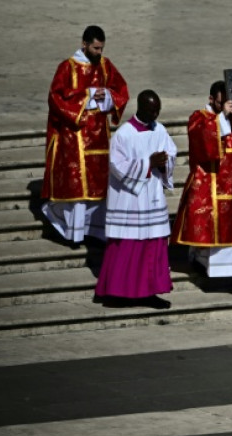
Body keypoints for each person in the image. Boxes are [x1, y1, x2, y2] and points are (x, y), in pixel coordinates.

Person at [172, 81, 232, 299]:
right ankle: (204, 268)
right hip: (211, 186)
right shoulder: (199, 117)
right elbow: (202, 144)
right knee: (209, 237)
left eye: (229, 103)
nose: (227, 107)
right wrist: (221, 118)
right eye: (222, 103)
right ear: (212, 99)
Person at [42, 25, 129, 247]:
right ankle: (74, 234)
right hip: (75, 137)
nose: (99, 53)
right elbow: (56, 98)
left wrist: (107, 95)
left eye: (101, 48)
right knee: (78, 189)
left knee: (99, 188)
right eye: (95, 48)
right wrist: (89, 95)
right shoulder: (67, 67)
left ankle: (97, 232)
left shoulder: (106, 65)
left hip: (100, 136)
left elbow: (121, 90)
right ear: (84, 44)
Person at [93, 90, 176, 309]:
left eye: (158, 110)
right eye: (152, 110)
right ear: (140, 107)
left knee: (153, 247)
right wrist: (147, 164)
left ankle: (149, 293)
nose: (156, 115)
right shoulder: (124, 134)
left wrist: (164, 162)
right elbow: (116, 167)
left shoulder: (160, 130)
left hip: (153, 198)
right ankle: (117, 293)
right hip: (130, 201)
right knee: (127, 248)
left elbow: (171, 152)